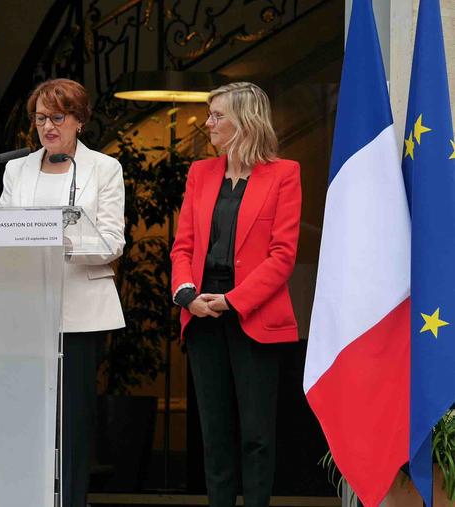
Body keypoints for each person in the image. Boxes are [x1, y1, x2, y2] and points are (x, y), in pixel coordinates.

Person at [170, 82, 301, 507]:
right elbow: (183, 246)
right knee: (215, 435)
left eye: (217, 115)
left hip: (254, 314)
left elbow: (283, 256)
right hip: (201, 310)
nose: (208, 123)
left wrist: (232, 300)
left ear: (245, 120)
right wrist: (187, 294)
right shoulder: (200, 173)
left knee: (257, 436)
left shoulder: (285, 174)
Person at [0, 78, 125, 507]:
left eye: (57, 117)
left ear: (79, 120)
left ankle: (72, 500)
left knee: (72, 419)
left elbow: (112, 242)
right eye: (40, 119)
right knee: (27, 416)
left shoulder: (105, 169)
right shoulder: (16, 169)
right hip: (25, 310)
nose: (48, 127)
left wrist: (63, 243)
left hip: (81, 309)